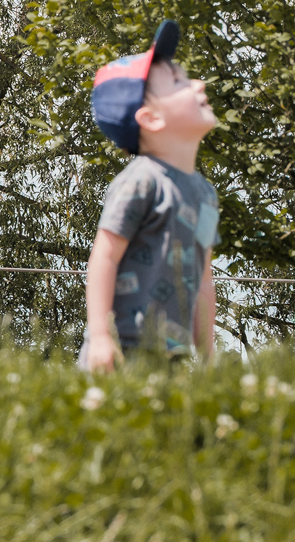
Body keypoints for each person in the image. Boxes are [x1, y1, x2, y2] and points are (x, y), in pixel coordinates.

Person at [80, 20, 220, 372]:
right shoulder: (141, 180)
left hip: (174, 358)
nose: (198, 84)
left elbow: (204, 278)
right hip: (124, 350)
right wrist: (100, 336)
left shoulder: (206, 195)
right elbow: (104, 257)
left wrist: (208, 356)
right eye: (178, 82)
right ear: (151, 118)